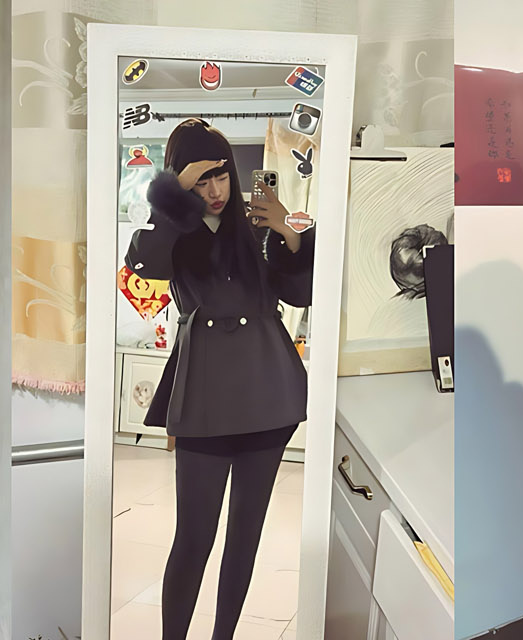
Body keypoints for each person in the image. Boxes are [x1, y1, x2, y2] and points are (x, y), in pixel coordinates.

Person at [127, 118, 314, 640]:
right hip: (206, 397)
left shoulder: (255, 228)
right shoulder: (175, 232)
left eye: (221, 175)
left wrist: (289, 233)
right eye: (200, 179)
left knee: (244, 539)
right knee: (193, 538)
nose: (214, 190)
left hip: (268, 394)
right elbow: (143, 263)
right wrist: (173, 199)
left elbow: (301, 294)